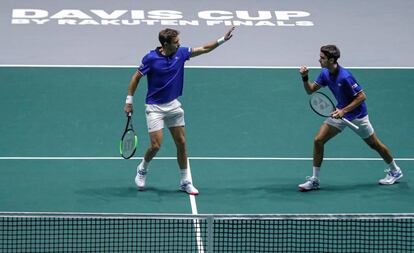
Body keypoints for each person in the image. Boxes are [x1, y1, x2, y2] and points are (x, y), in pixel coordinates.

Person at [124, 27, 235, 195]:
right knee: (156, 145)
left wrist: (222, 39)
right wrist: (129, 101)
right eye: (176, 42)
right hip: (154, 108)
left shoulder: (181, 53)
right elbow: (136, 77)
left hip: (173, 105)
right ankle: (142, 168)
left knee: (182, 143)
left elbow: (203, 49)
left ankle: (185, 181)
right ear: (166, 44)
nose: (179, 43)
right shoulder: (151, 59)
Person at [298, 45, 403, 192]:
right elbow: (310, 91)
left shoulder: (345, 76)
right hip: (339, 113)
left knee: (375, 145)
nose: (319, 60)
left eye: (322, 58)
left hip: (357, 116)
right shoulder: (325, 74)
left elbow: (362, 96)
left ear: (331, 59)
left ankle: (395, 170)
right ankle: (315, 180)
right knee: (318, 140)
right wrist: (304, 77)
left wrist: (344, 111)